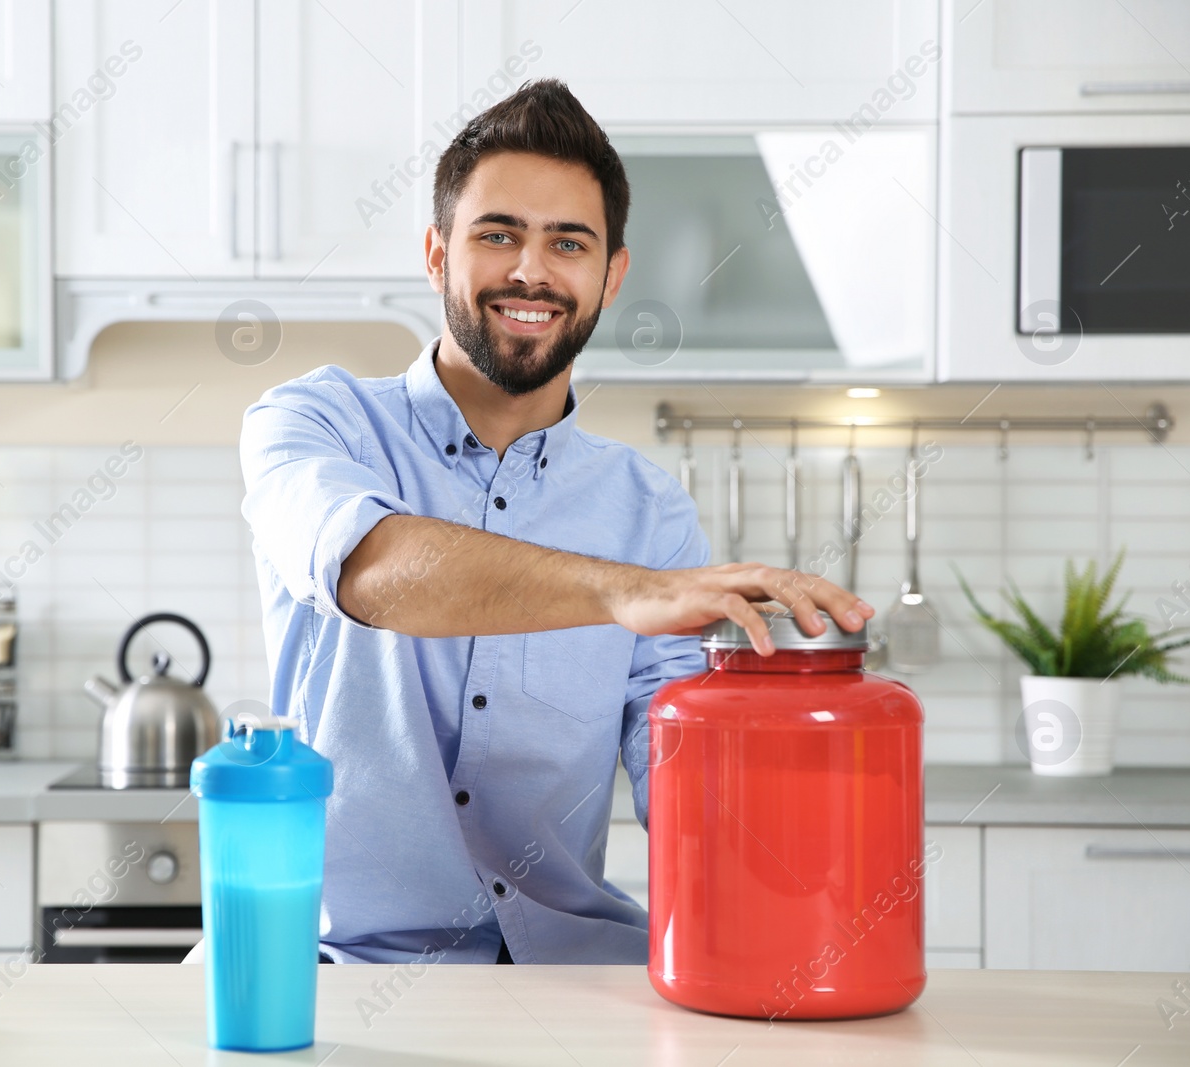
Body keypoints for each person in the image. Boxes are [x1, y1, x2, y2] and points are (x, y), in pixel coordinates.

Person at [238, 79, 872, 965]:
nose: (530, 272)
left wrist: (805, 767)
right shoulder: (314, 423)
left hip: (575, 977)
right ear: (435, 253)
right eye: (497, 235)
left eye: (567, 243)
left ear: (610, 275)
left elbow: (676, 767)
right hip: (344, 969)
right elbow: (370, 572)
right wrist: (624, 593)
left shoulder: (649, 513)